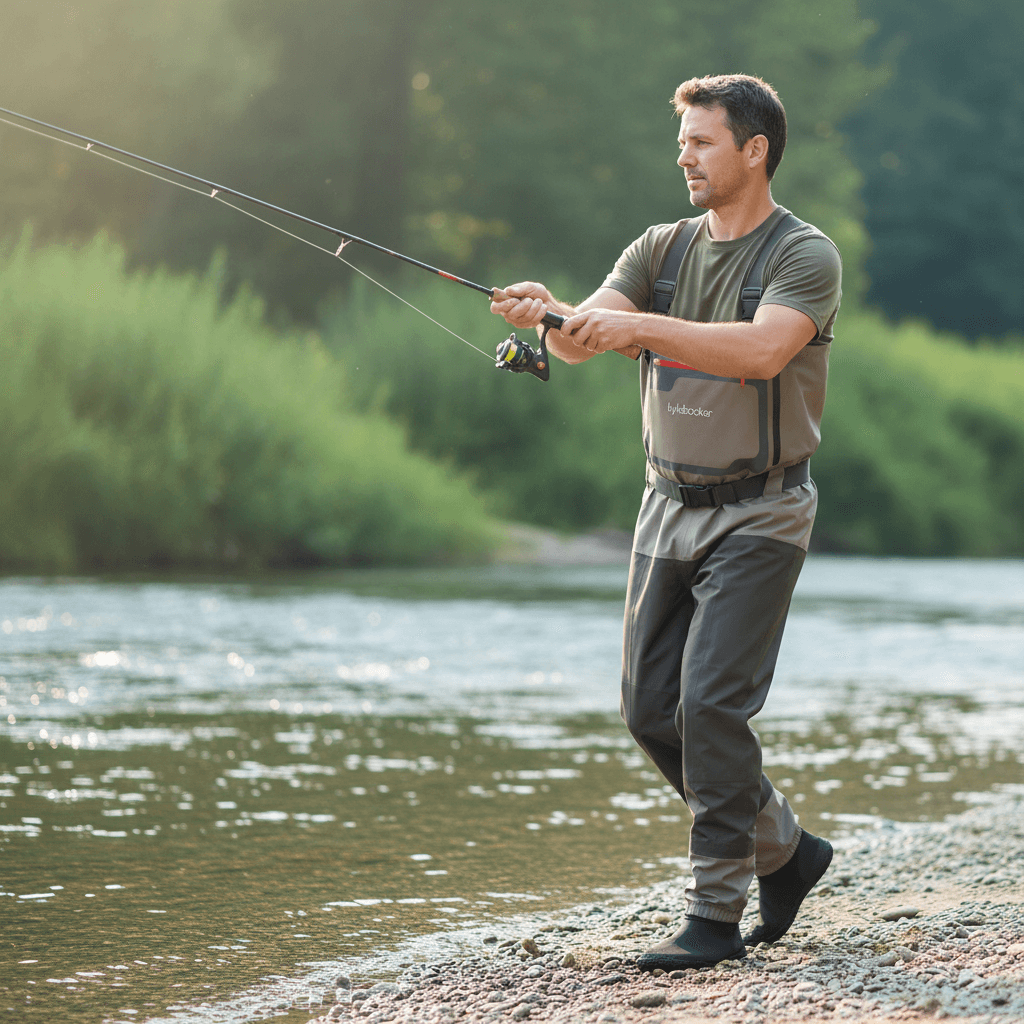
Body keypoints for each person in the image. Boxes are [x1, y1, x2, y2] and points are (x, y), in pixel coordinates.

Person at [490, 74, 841, 971]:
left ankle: (714, 918)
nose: (682, 154)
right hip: (665, 506)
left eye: (701, 141)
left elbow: (763, 351)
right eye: (681, 140)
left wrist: (643, 326)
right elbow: (580, 338)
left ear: (754, 150)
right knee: (652, 713)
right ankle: (788, 852)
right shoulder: (661, 246)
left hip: (763, 509)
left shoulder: (805, 255)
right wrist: (551, 316)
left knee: (711, 706)